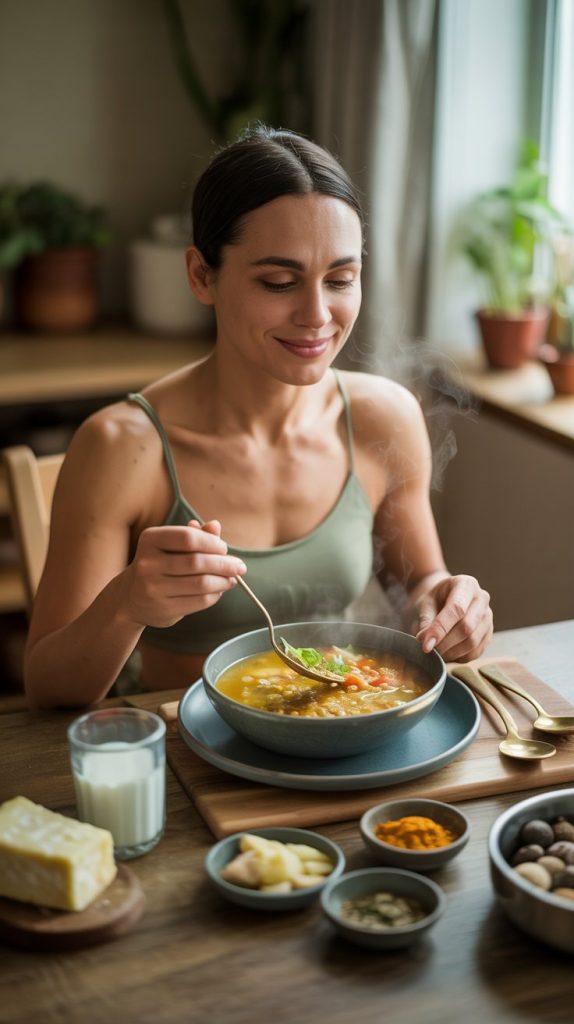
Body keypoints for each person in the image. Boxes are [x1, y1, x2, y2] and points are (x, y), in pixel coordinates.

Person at [24, 125, 493, 709]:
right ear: (201, 275)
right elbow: (47, 690)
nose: (318, 315)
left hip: (337, 733)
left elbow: (419, 585)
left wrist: (449, 605)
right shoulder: (122, 447)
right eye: (279, 281)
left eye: (341, 279)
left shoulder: (384, 418)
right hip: (182, 755)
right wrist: (127, 604)